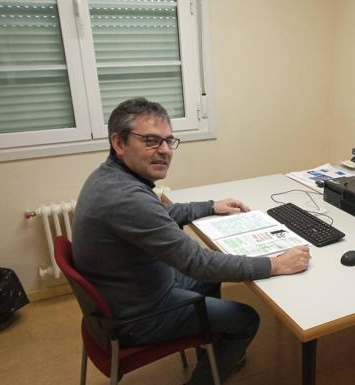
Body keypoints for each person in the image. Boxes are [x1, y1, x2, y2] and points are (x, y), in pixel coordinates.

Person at [72, 97, 310, 385]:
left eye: (168, 141)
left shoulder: (110, 179)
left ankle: (211, 350)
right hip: (139, 317)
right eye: (150, 141)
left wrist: (210, 206)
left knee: (209, 282)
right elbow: (198, 262)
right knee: (246, 318)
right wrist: (275, 264)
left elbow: (158, 214)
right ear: (119, 143)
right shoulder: (126, 197)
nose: (164, 151)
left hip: (125, 298)